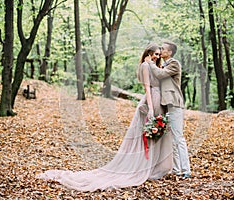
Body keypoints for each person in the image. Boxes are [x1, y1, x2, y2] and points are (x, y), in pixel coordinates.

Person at [36, 43, 173, 192]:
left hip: (161, 101)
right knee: (147, 134)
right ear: (148, 53)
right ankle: (142, 167)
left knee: (157, 132)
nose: (157, 56)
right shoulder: (146, 66)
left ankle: (154, 166)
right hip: (151, 100)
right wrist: (151, 109)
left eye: (159, 54)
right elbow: (147, 87)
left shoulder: (155, 66)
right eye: (156, 54)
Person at [145, 41, 191, 179]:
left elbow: (160, 74)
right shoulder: (163, 64)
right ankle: (177, 170)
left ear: (170, 52)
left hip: (174, 104)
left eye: (163, 49)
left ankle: (186, 170)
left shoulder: (174, 64)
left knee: (179, 138)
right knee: (172, 140)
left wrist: (151, 63)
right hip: (166, 105)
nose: (161, 50)